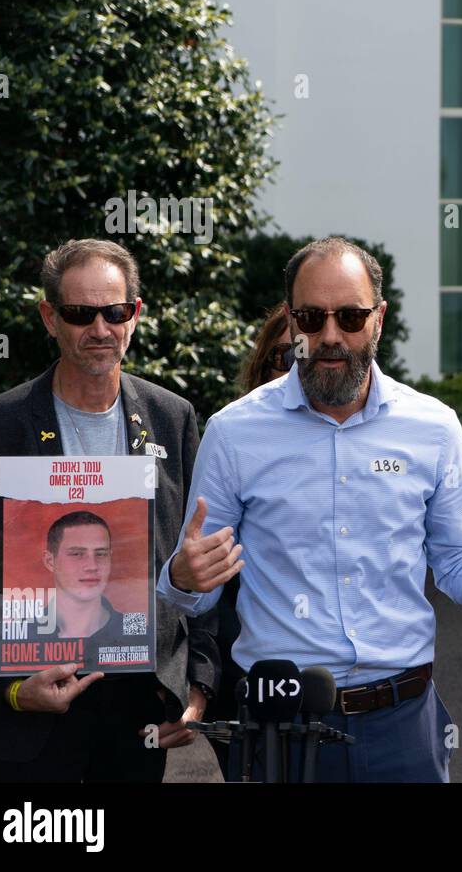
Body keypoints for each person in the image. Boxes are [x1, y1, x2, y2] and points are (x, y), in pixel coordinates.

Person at [156, 237, 462, 782]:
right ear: (291, 320)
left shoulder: (433, 427)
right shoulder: (235, 432)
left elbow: (458, 564)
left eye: (350, 317)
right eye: (311, 317)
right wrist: (183, 577)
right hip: (282, 730)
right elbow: (199, 586)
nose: (330, 335)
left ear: (379, 319)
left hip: (404, 726)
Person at [0, 238, 217, 782]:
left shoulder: (174, 419)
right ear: (50, 317)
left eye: (114, 311)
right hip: (31, 726)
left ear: (134, 315)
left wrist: (197, 685)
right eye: (79, 313)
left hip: (139, 717)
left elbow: (202, 564)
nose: (100, 329)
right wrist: (11, 688)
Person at [206, 302, 295, 777]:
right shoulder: (230, 438)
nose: (299, 369)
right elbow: (195, 581)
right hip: (243, 676)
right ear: (263, 366)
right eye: (286, 356)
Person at [36, 511, 139, 656]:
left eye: (101, 554)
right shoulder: (23, 631)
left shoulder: (138, 630)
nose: (92, 566)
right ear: (49, 561)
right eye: (77, 554)